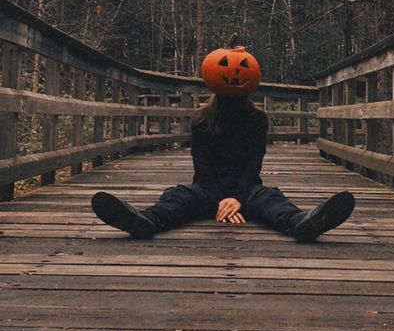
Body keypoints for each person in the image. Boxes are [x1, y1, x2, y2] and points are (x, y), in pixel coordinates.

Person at [91, 47, 355, 242]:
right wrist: (222, 198)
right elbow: (202, 167)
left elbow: (254, 165)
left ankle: (302, 223)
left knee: (271, 199)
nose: (235, 71)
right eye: (227, 65)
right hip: (207, 188)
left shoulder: (256, 120)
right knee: (177, 197)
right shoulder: (202, 120)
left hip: (246, 189)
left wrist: (236, 198)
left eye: (241, 67)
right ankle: (146, 220)